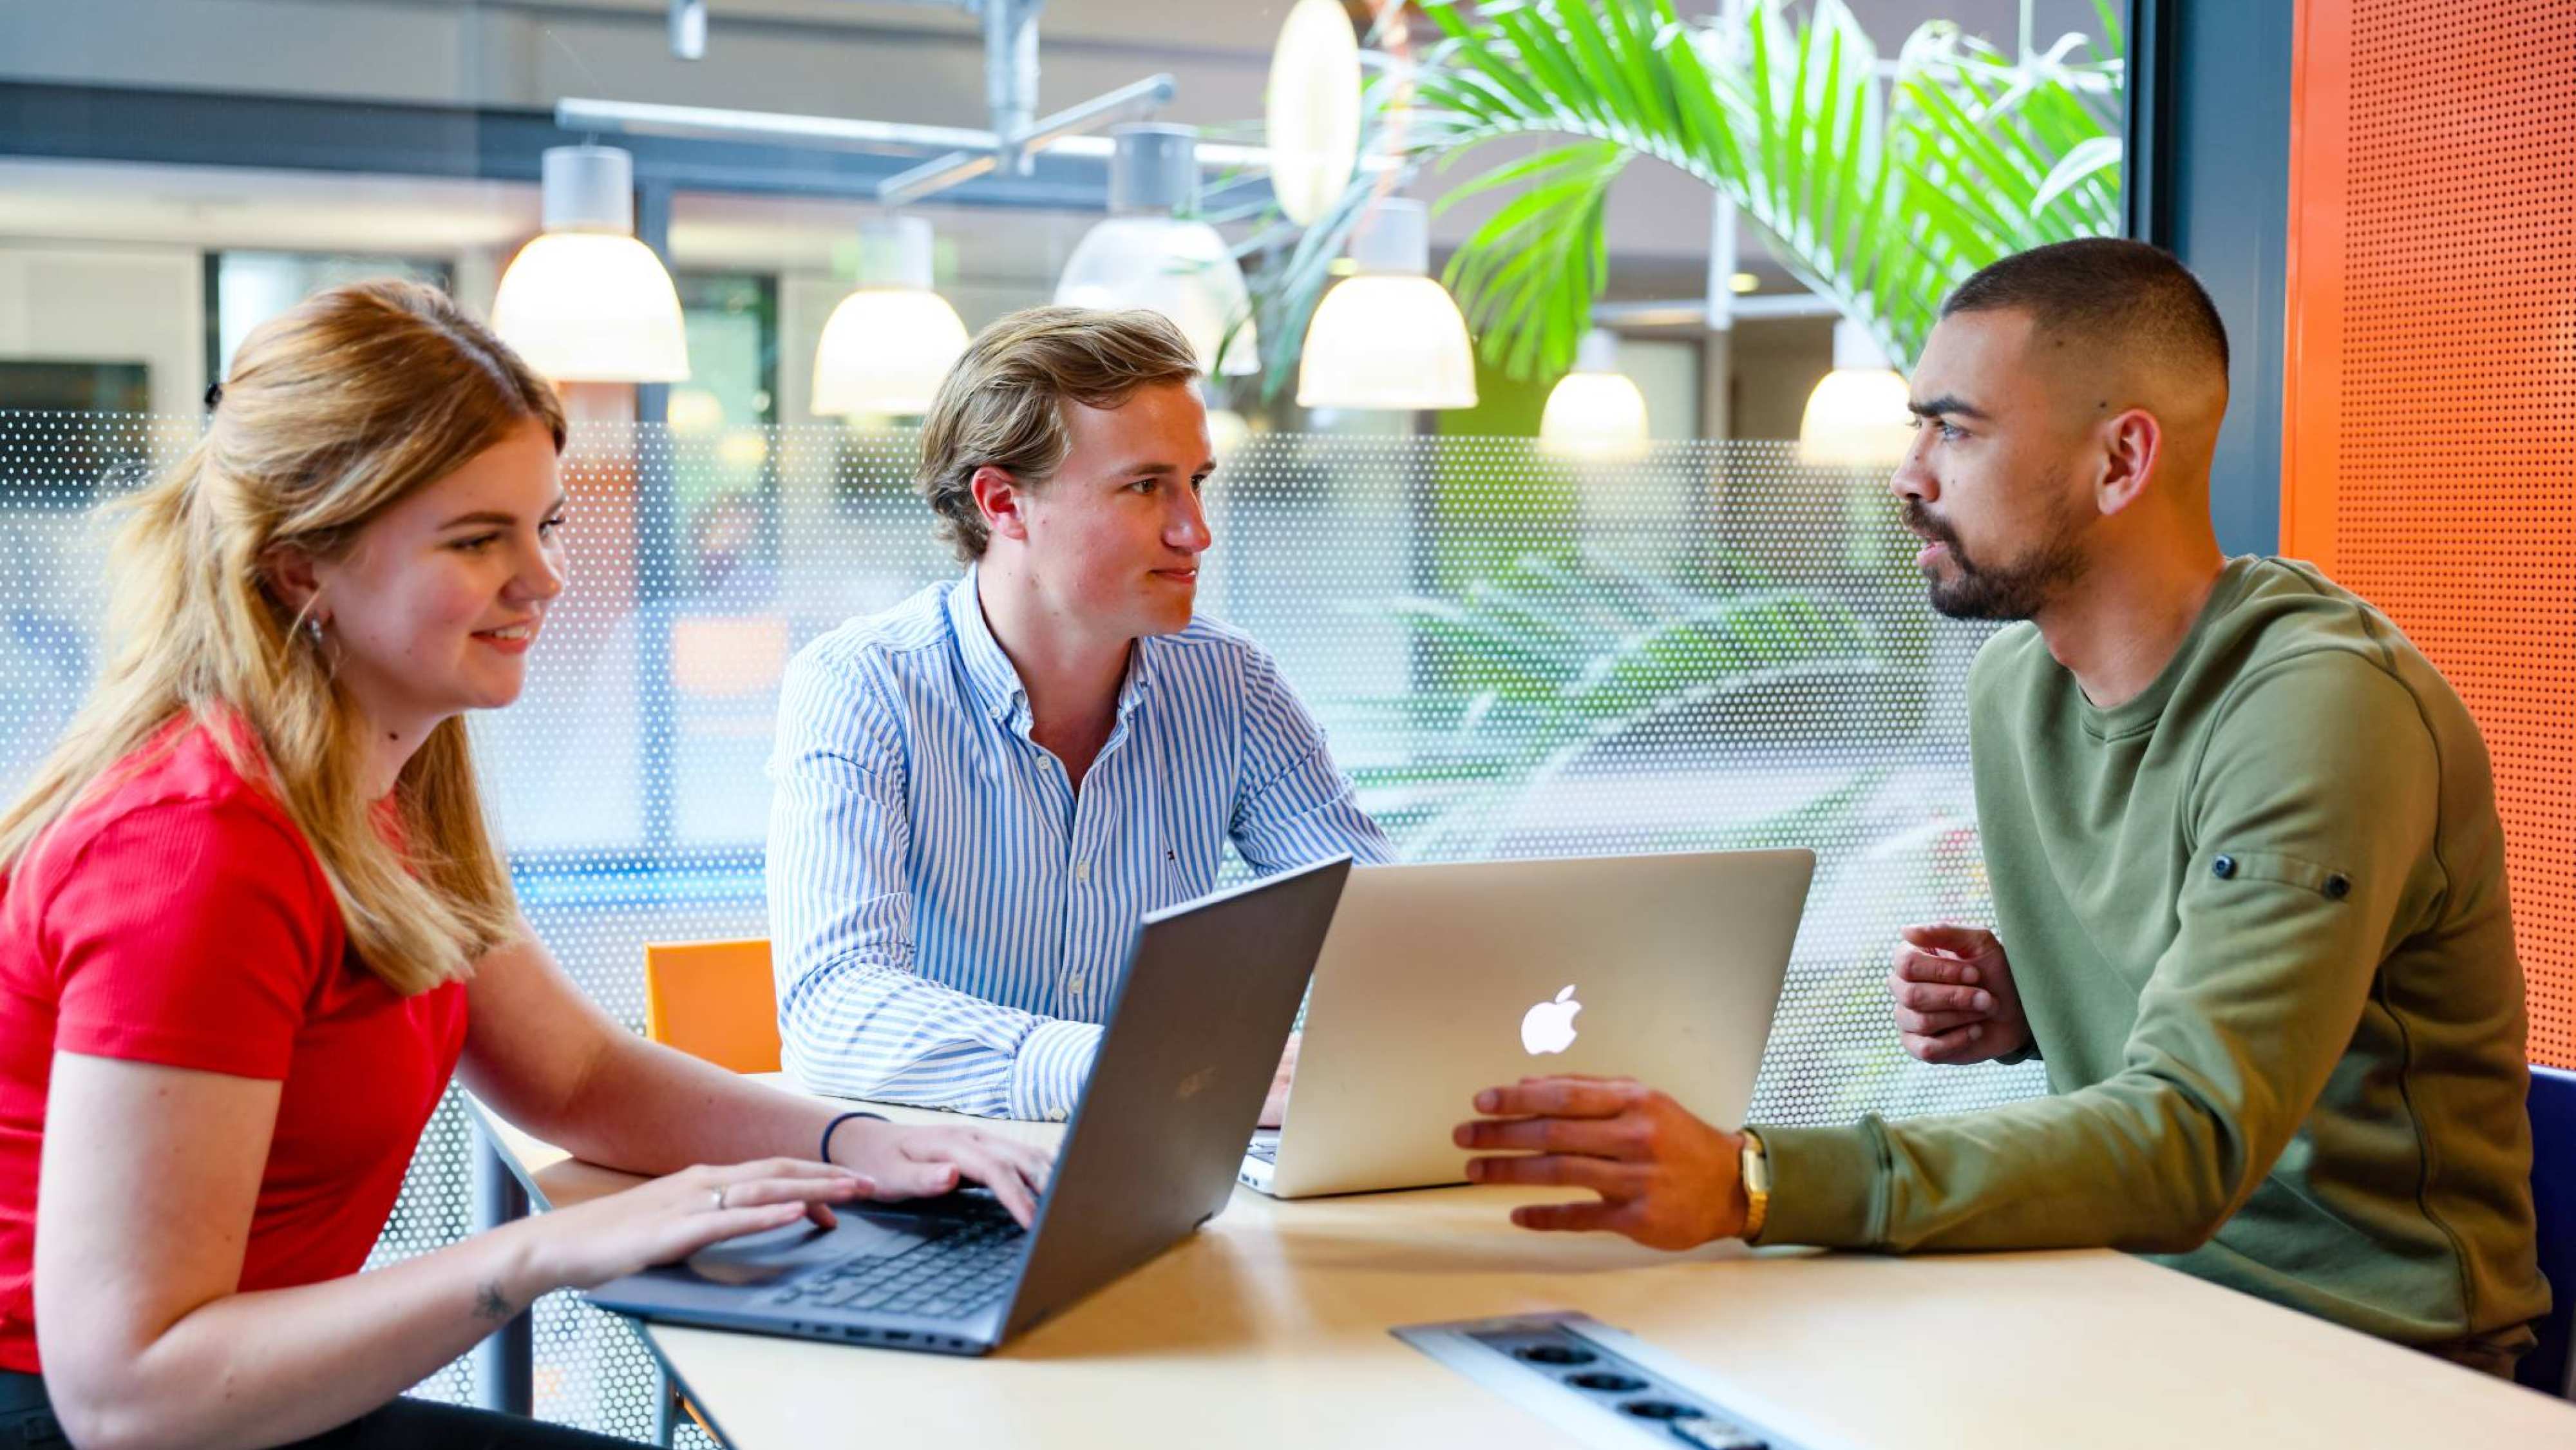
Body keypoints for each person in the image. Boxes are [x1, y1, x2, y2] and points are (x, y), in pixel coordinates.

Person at [1454, 238, 2548, 1377]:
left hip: (2361, 1356)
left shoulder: (2323, 707)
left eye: (1956, 430)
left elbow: (2190, 1141)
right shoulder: (2018, 688)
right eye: (1917, 426)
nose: (1909, 475)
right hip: (2118, 1296)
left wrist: (1753, 1179)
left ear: (2121, 461)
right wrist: (2031, 1004)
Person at [0, 280, 1052, 1450]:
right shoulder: (199, 856)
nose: (543, 580)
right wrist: (544, 1250)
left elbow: (571, 1074)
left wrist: (855, 1139)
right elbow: (126, 1396)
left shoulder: (393, 772)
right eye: (475, 540)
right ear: (305, 571)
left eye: (542, 526)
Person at [767, 306, 1390, 1125]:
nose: (1194, 531)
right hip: (945, 1178)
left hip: (1163, 1166)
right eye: (1144, 486)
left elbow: (1381, 933)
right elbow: (833, 1012)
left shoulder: (1229, 681)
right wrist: (1146, 1065)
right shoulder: (861, 685)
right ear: (1003, 503)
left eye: (1196, 482)